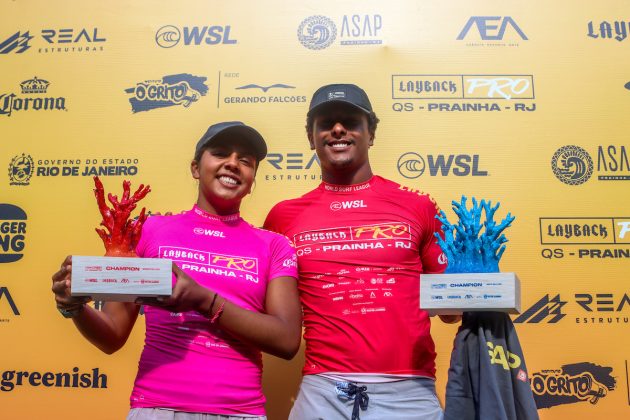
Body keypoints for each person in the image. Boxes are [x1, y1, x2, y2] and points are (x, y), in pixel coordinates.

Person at [52, 121, 302, 420]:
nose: (233, 164)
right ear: (196, 168)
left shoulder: (273, 245)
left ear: (252, 178)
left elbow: (287, 341)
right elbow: (112, 335)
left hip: (239, 412)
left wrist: (204, 300)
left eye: (245, 161)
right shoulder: (149, 230)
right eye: (221, 153)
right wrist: (74, 307)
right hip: (156, 408)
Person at [264, 84, 460, 420]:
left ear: (371, 134)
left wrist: (481, 284)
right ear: (311, 137)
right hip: (322, 392)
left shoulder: (419, 206)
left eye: (351, 121)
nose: (338, 129)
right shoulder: (282, 216)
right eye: (326, 122)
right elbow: (259, 306)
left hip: (409, 394)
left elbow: (452, 311)